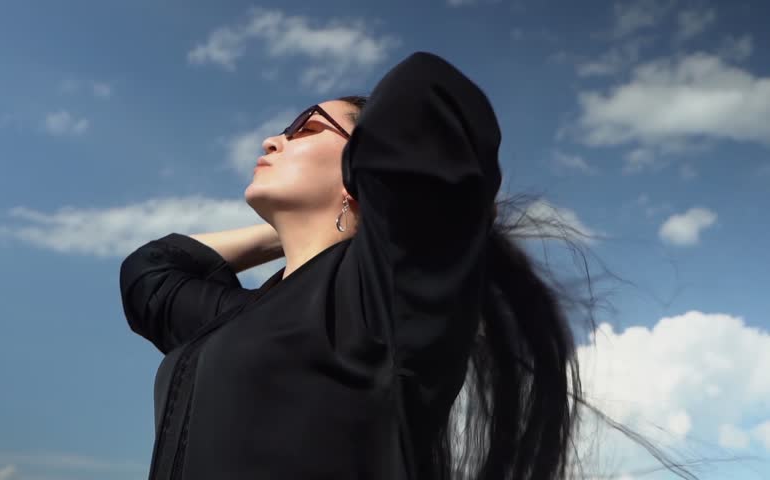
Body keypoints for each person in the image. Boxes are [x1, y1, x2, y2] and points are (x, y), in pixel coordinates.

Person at [119, 52, 695, 480]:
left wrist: (362, 204)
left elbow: (423, 93)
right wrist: (287, 234)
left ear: (365, 165)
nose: (274, 139)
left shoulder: (381, 301)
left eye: (307, 128)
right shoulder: (240, 317)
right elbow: (151, 272)